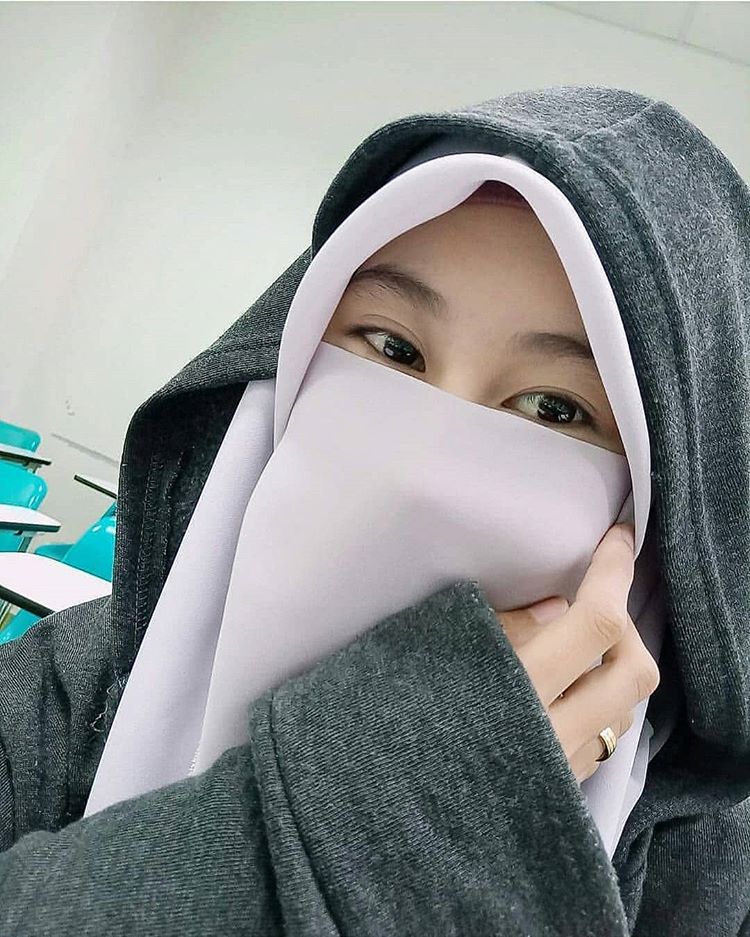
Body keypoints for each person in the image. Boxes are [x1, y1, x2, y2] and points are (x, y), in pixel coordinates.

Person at [0, 84, 747, 936]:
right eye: (393, 348)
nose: (421, 468)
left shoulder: (716, 874)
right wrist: (389, 806)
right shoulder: (71, 683)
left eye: (554, 408)